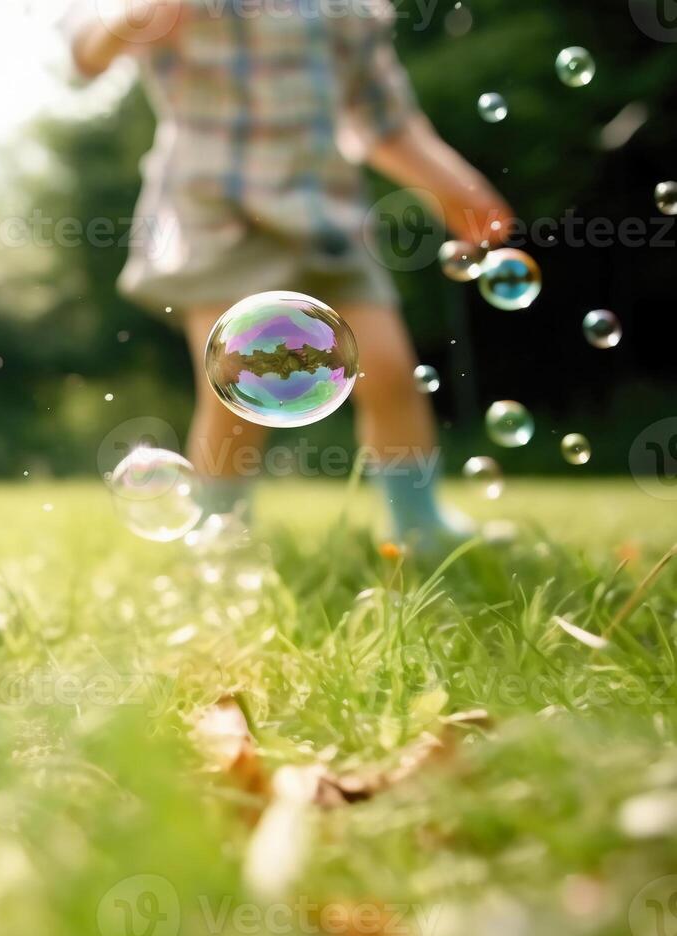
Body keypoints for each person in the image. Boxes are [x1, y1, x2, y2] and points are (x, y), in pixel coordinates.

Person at [69, 0, 512, 539]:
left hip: (327, 218)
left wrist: (457, 187)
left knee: (391, 372)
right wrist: (134, 18)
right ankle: (218, 530)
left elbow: (387, 125)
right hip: (217, 218)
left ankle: (420, 526)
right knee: (236, 385)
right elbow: (85, 55)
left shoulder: (348, 12)